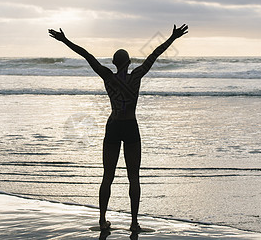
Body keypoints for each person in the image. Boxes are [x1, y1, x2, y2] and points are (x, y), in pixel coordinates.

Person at [48, 24, 188, 232]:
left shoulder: (108, 76)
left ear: (114, 63)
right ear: (129, 62)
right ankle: (133, 223)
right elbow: (154, 54)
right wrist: (172, 37)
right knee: (134, 177)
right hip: (130, 126)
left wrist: (65, 40)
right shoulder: (136, 76)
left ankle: (102, 220)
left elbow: (86, 55)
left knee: (107, 176)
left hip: (113, 126)